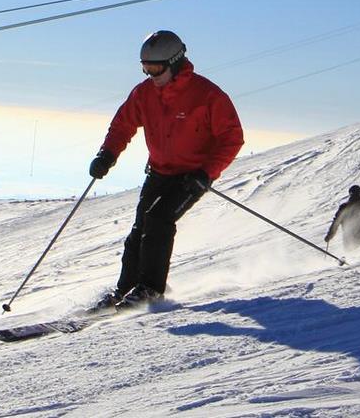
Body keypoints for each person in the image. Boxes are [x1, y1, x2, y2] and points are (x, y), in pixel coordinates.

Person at [86, 30, 244, 310]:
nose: (150, 75)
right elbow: (122, 125)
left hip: (191, 177)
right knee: (140, 229)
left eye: (155, 68)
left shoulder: (207, 95)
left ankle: (150, 289)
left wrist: (207, 173)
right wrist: (107, 155)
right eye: (145, 68)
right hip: (159, 172)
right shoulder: (144, 93)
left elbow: (231, 137)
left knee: (158, 220)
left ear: (173, 62)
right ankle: (125, 290)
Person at [323, 185, 360, 250]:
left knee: (352, 257)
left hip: (348, 238)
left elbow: (336, 222)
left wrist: (329, 235)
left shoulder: (344, 207)